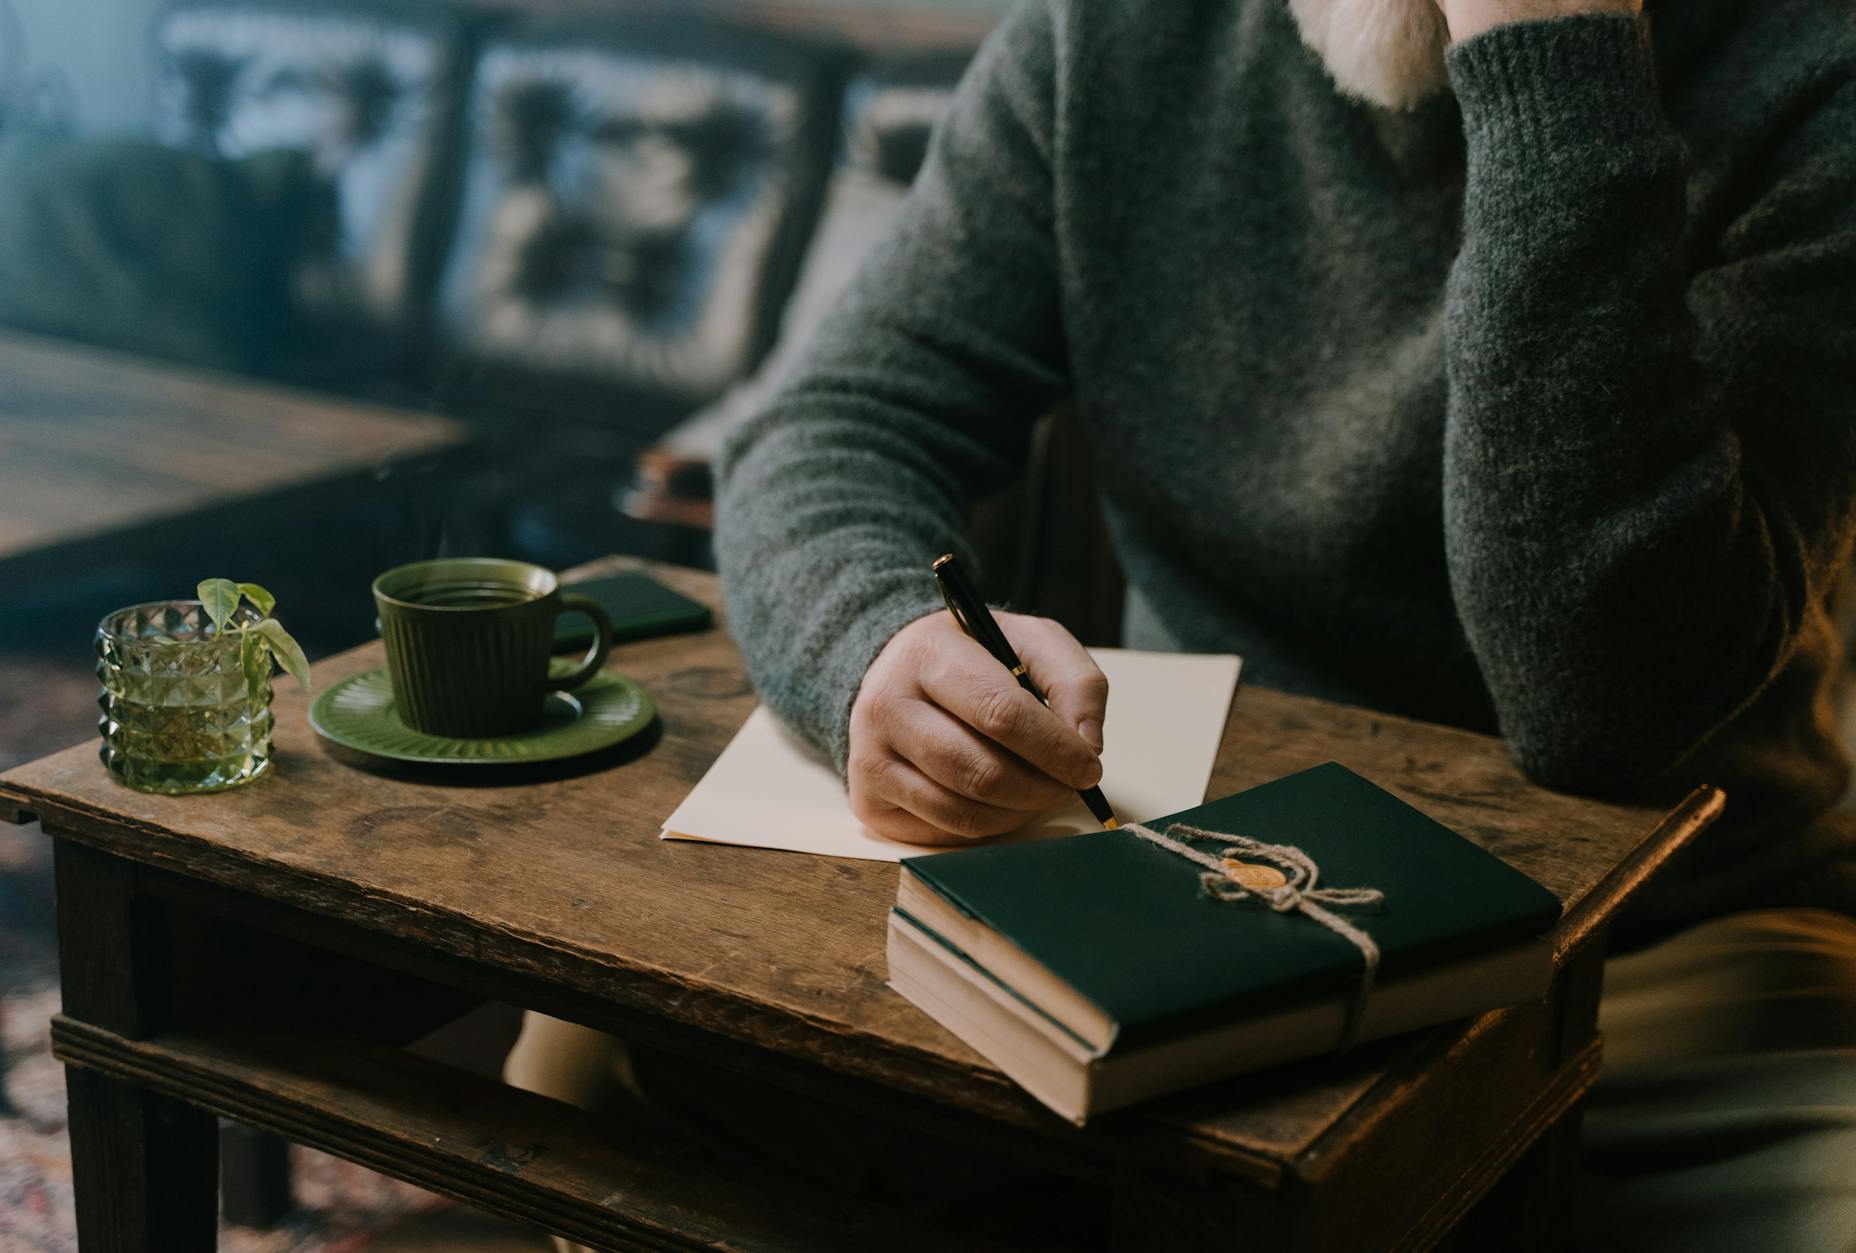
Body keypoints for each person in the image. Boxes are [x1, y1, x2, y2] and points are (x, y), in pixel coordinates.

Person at [509, 0, 1856, 1246]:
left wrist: (1551, 71)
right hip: (1176, 879)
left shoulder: (1817, 68)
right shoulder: (1114, 32)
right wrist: (872, 640)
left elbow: (1599, 702)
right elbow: (834, 420)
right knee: (597, 1065)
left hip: (1660, 942)